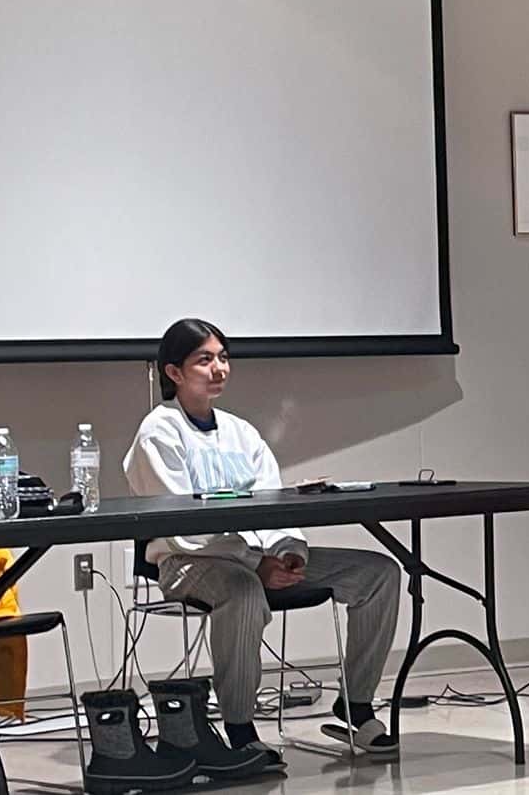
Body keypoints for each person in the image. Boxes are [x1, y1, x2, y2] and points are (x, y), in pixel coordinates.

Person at [124, 319, 402, 761]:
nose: (218, 368)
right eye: (204, 360)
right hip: (187, 563)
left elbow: (273, 502)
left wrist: (288, 551)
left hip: (259, 557)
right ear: (174, 372)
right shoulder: (158, 432)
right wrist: (256, 564)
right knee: (243, 590)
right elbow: (182, 525)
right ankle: (239, 727)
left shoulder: (241, 432)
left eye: (223, 358)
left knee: (379, 573)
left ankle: (357, 702)